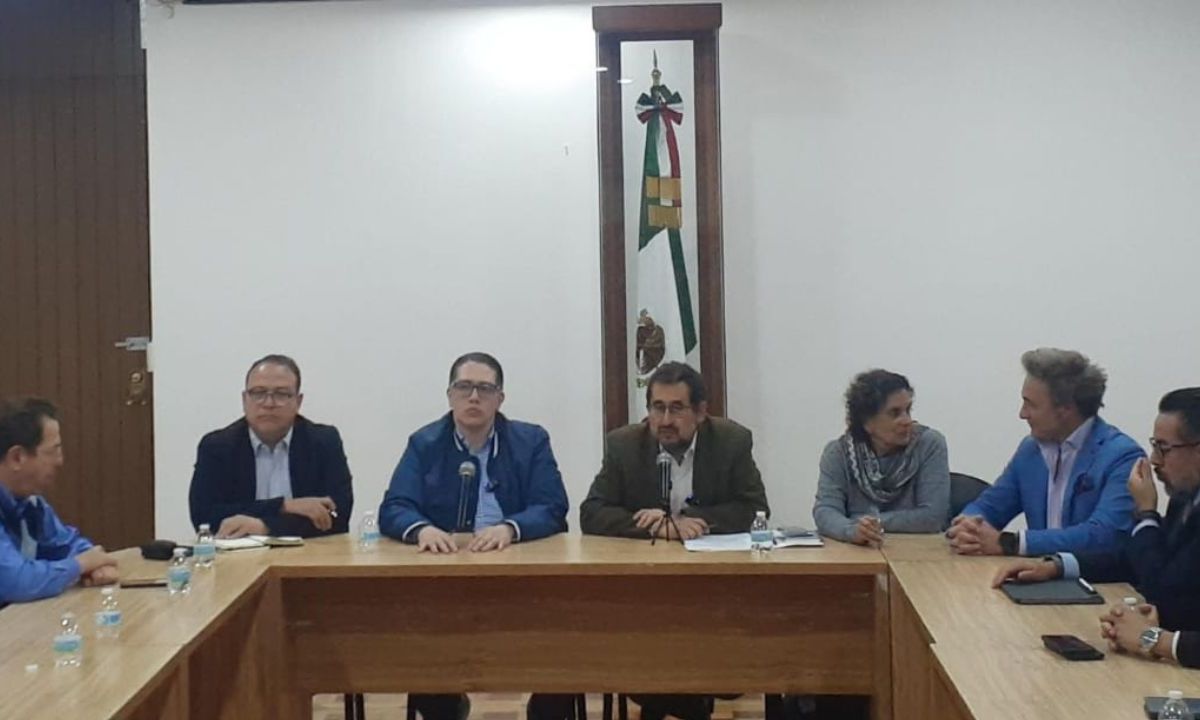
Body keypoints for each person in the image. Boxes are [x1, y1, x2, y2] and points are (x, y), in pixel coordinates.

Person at [379, 352, 570, 720]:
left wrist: (509, 528)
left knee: (561, 645)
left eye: (485, 389)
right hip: (447, 576)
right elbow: (395, 506)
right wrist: (423, 529)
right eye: (464, 387)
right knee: (422, 642)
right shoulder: (425, 443)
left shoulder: (530, 441)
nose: (473, 397)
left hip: (522, 574)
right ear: (449, 395)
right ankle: (446, 705)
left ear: (500, 399)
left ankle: (545, 709)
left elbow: (552, 506)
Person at [580, 361, 768, 720]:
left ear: (700, 412)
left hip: (713, 586)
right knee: (648, 642)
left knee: (706, 647)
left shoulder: (731, 441)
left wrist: (695, 522)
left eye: (676, 408)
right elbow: (591, 513)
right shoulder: (624, 445)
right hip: (645, 588)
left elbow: (755, 508)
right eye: (657, 408)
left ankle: (681, 698)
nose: (665, 420)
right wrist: (657, 526)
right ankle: (679, 699)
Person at [993, 388, 1200, 663]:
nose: (1154, 460)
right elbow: (1141, 562)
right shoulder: (1186, 499)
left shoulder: (1119, 454)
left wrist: (1147, 513)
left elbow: (1158, 588)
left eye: (1164, 448)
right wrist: (1056, 566)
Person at [947, 348, 1141, 556]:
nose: (1022, 414)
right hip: (1035, 577)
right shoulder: (1030, 450)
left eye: (1030, 405)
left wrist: (1012, 543)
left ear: (1065, 409)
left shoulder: (1121, 457)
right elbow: (989, 506)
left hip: (1094, 583)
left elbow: (1103, 536)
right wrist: (967, 526)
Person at [188, 354, 353, 538]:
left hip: (307, 556)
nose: (268, 403)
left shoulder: (323, 442)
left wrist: (265, 527)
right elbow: (204, 518)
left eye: (281, 394)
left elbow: (338, 518)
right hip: (237, 558)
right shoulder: (217, 446)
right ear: (244, 399)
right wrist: (285, 506)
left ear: (298, 402)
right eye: (258, 393)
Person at [0, 397, 119, 604]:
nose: (60, 461)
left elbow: (65, 544)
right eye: (53, 451)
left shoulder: (31, 502)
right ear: (17, 457)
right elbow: (15, 582)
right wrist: (81, 565)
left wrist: (96, 564)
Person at [813, 369, 949, 546]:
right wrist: (853, 531)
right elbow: (825, 511)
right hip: (859, 554)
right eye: (895, 413)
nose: (906, 420)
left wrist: (868, 522)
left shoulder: (929, 444)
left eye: (908, 410)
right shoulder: (838, 453)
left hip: (919, 554)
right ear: (867, 422)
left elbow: (932, 517)